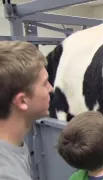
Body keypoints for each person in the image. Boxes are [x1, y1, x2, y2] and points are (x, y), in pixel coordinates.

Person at [0, 41, 53, 179]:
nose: (51, 88)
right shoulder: (8, 175)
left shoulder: (12, 146)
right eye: (45, 83)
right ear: (22, 101)